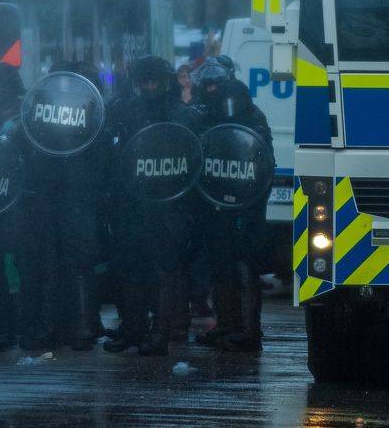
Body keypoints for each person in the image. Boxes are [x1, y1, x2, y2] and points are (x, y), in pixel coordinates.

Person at [104, 56, 207, 357]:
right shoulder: (125, 110)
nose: (150, 87)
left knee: (164, 269)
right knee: (129, 267)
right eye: (144, 82)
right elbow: (112, 153)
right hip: (131, 202)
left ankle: (160, 332)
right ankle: (133, 329)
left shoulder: (182, 115)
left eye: (155, 81)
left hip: (168, 204)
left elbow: (195, 161)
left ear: (166, 81)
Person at [13, 63, 110, 352]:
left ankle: (51, 328)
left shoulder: (40, 109)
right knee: (77, 262)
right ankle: (82, 328)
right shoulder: (93, 109)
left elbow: (20, 142)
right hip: (77, 195)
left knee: (50, 262)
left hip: (50, 194)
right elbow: (103, 154)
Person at [194, 72, 274, 354]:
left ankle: (249, 331)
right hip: (216, 204)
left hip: (246, 207)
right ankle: (226, 324)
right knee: (221, 264)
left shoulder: (254, 121)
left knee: (244, 265)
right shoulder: (211, 120)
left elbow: (262, 163)